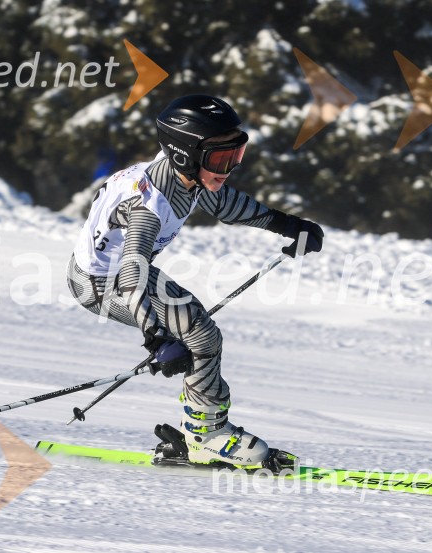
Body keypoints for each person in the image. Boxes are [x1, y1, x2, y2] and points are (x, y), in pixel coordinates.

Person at [67, 94, 323, 467]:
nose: (229, 167)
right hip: (103, 284)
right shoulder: (150, 206)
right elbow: (132, 270)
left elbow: (224, 203)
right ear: (185, 153)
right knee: (202, 335)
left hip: (119, 273)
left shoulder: (180, 174)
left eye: (235, 156)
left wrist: (287, 225)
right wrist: (155, 338)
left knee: (198, 333)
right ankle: (207, 436)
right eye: (221, 159)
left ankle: (199, 431)